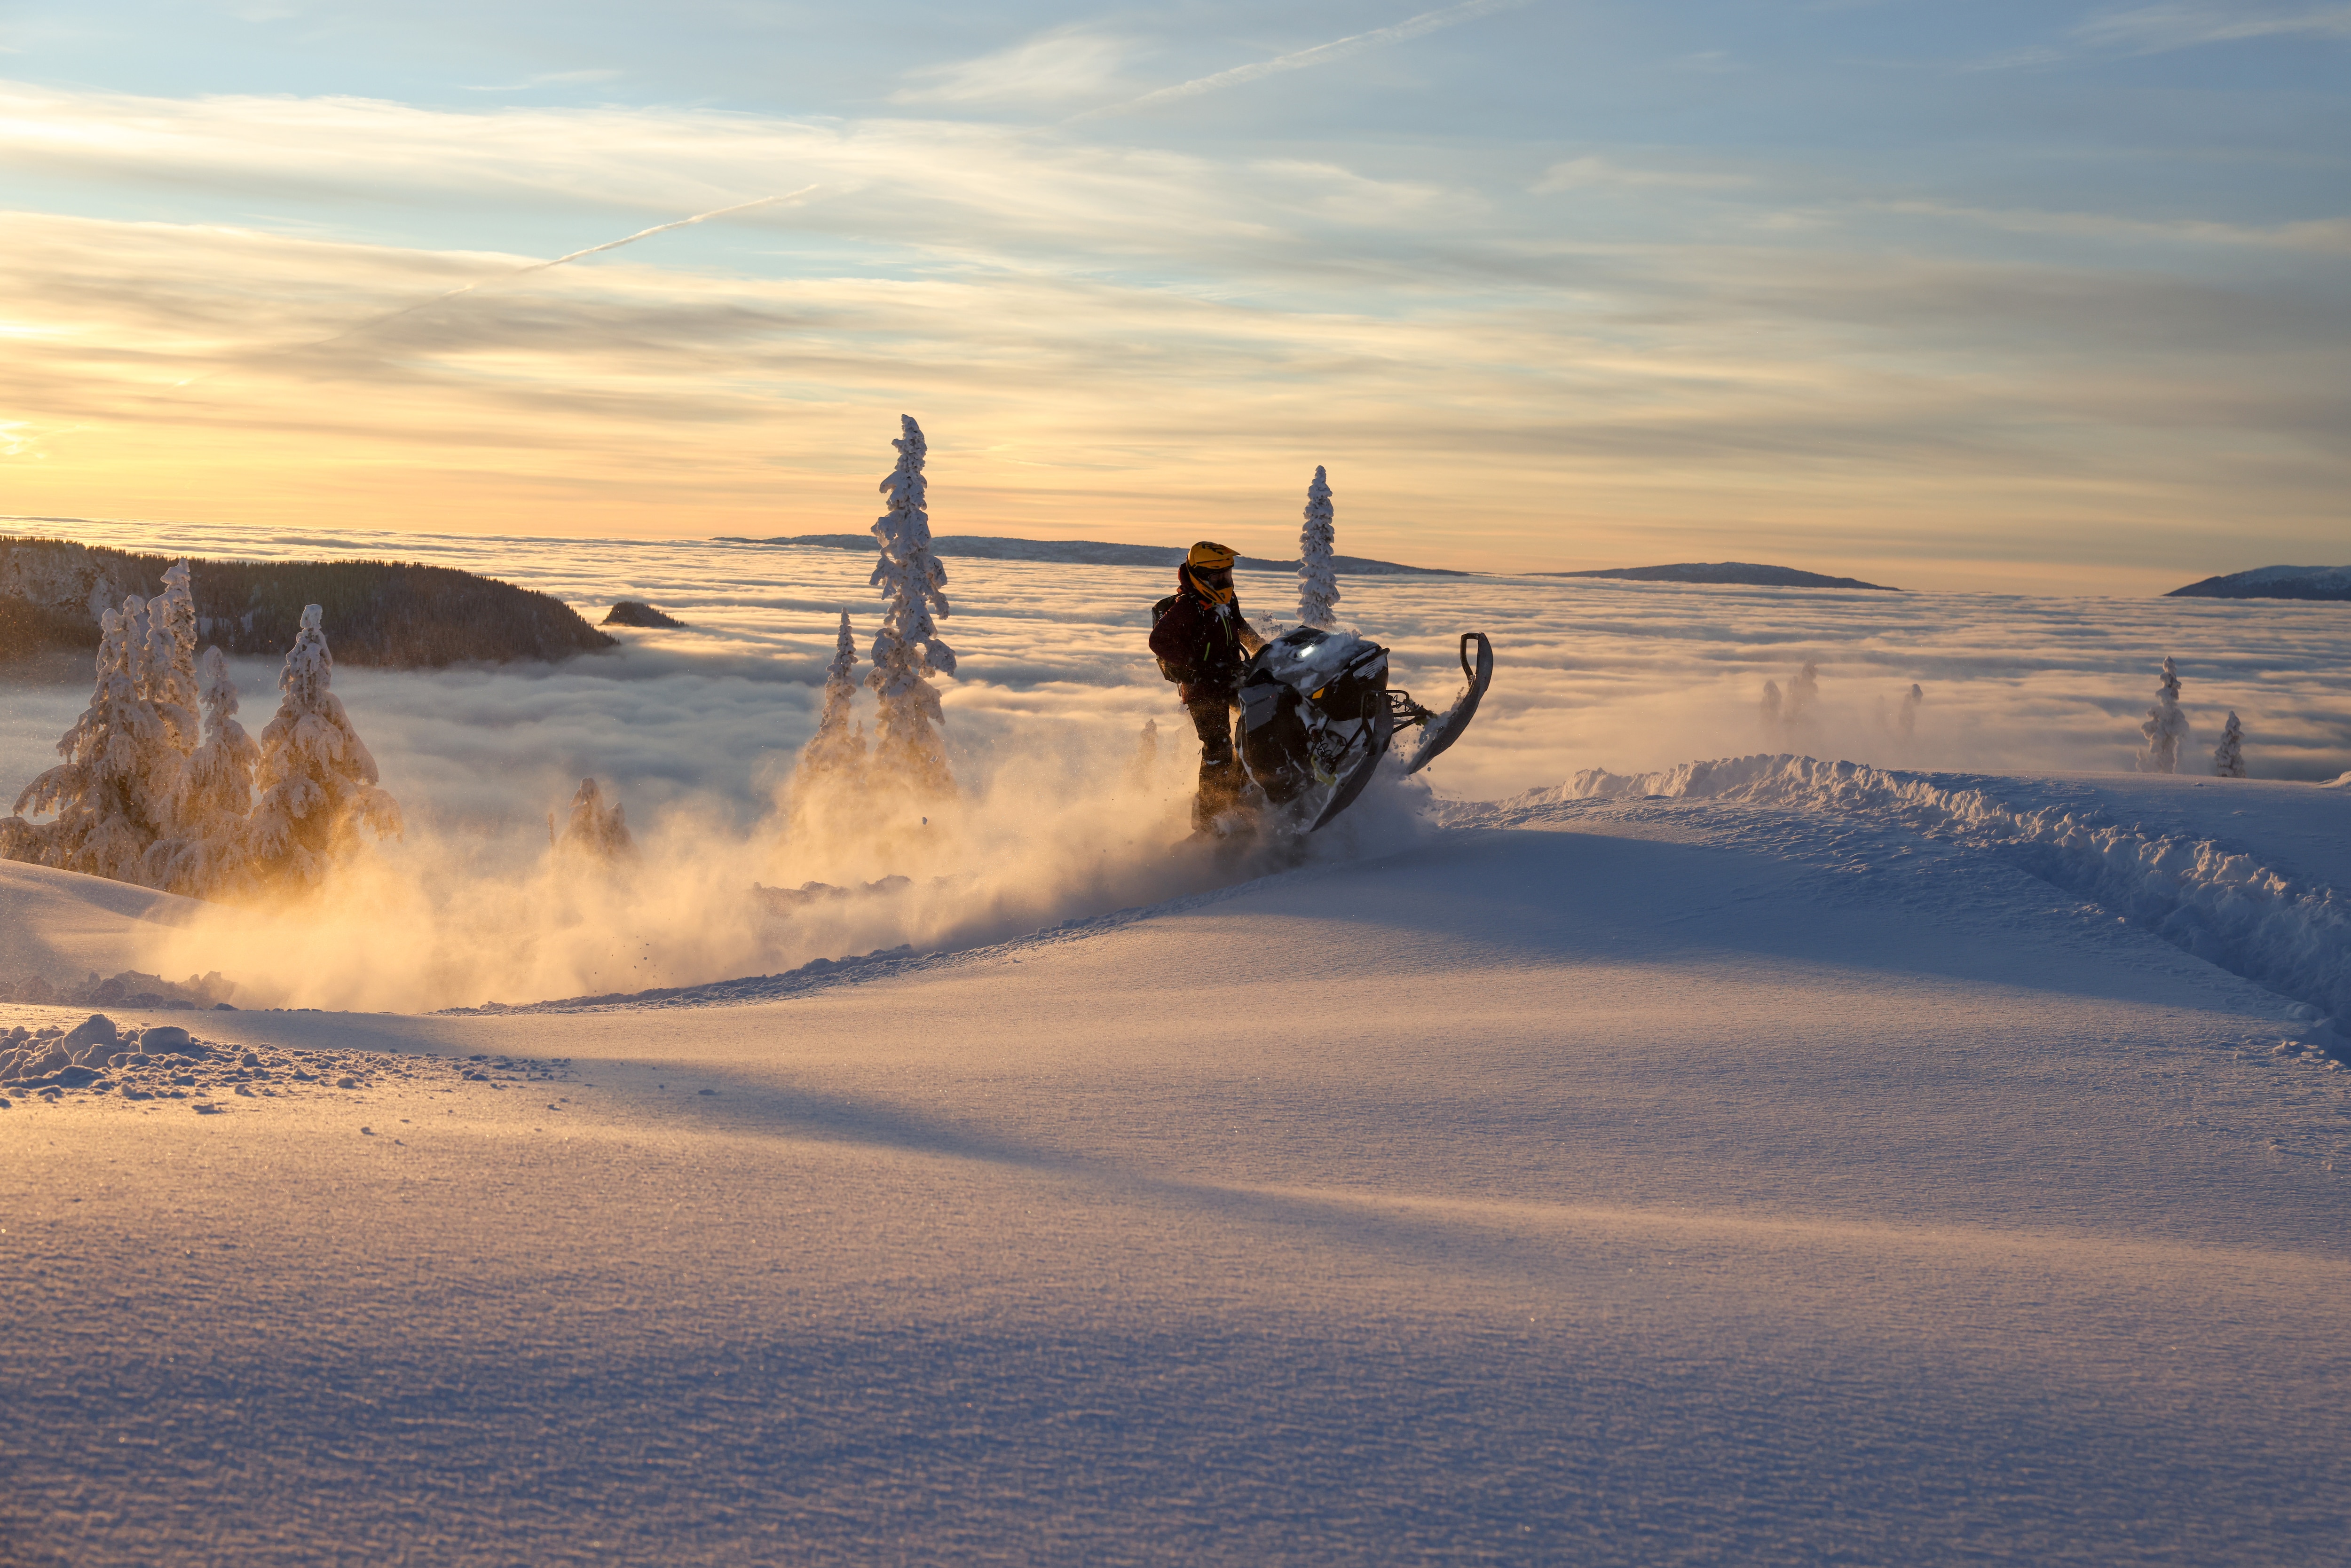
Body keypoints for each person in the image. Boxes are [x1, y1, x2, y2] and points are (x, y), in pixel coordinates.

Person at [1149, 541, 1265, 833]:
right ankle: (1211, 820)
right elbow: (1158, 642)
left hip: (1229, 674)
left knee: (1260, 720)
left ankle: (1242, 790)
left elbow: (1239, 626)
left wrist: (1265, 650)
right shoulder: (1188, 607)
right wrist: (1197, 666)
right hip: (1201, 686)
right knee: (1217, 746)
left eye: (1228, 575)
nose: (1225, 581)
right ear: (1201, 576)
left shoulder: (1227, 599)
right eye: (1218, 577)